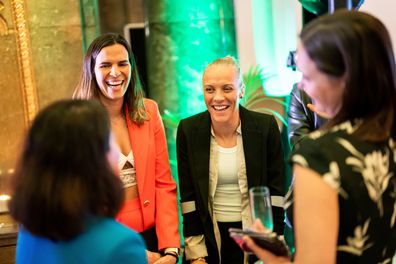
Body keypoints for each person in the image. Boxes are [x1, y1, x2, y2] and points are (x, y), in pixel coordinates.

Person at [244, 10, 396, 263]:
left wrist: (277, 261)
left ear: (343, 78)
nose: (301, 85)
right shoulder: (387, 140)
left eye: (308, 75)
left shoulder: (319, 155)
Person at [73, 33, 180, 263]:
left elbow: (163, 184)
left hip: (154, 240)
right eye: (105, 65)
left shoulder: (149, 112)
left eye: (122, 63)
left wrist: (171, 248)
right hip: (107, 243)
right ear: (91, 70)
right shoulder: (77, 123)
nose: (115, 72)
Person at [8, 99, 147, 264]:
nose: (118, 153)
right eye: (110, 144)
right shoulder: (122, 246)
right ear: (90, 160)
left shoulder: (29, 233)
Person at [177, 56, 285, 264]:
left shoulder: (265, 127)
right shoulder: (188, 130)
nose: (218, 98)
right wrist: (196, 254)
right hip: (210, 239)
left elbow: (276, 196)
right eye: (210, 89)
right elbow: (189, 201)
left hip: (256, 240)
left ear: (241, 90)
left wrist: (273, 248)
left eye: (227, 89)